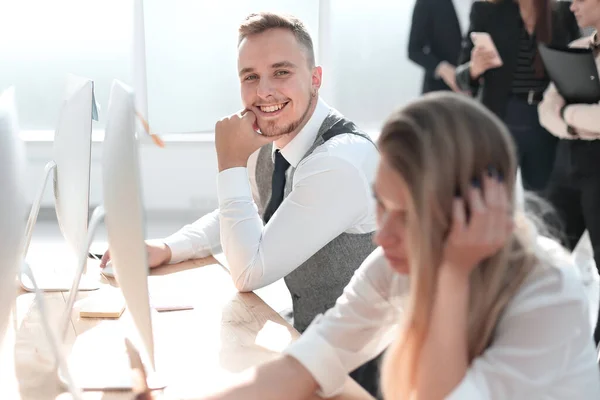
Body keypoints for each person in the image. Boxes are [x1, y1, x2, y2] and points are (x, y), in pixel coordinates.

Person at [200, 92, 600, 400]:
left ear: (476, 208)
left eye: (407, 215)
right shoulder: (396, 265)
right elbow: (308, 363)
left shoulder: (549, 292)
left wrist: (452, 277)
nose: (382, 235)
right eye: (381, 205)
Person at [455, 0, 579, 191]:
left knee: (544, 203)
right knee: (494, 196)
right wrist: (474, 69)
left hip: (545, 120)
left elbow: (574, 64)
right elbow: (460, 77)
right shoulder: (487, 9)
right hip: (500, 119)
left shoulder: (562, 12)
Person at [538, 0, 600, 342]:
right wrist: (578, 121)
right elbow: (546, 111)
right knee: (541, 257)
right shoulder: (575, 49)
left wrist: (568, 115)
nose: (572, 5)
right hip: (567, 167)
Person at [408, 0, 474, 93]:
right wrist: (443, 69)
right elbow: (414, 49)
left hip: (484, 91)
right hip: (440, 91)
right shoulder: (428, 2)